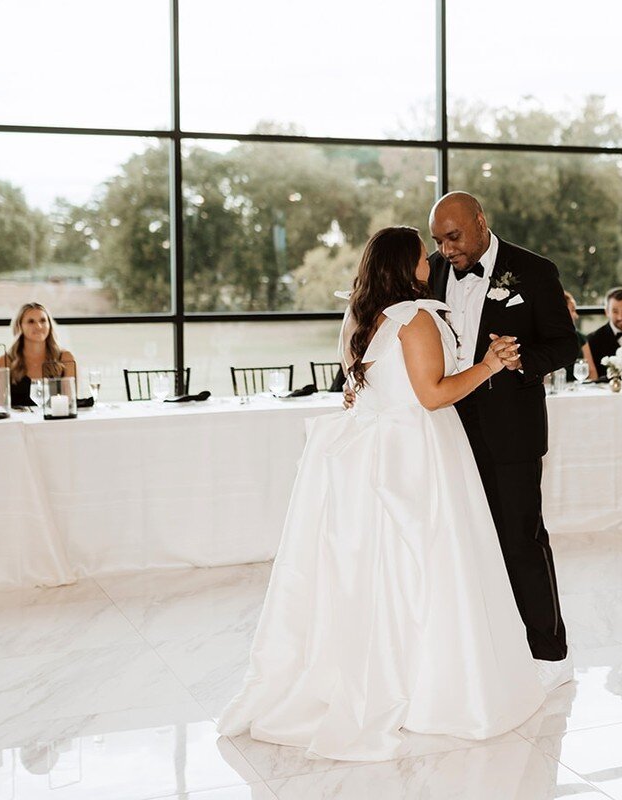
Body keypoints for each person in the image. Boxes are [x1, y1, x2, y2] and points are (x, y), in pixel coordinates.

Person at [217, 226, 546, 761]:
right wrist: (487, 367)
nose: (429, 260)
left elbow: (370, 385)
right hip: (415, 454)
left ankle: (371, 668)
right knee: (427, 564)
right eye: (422, 254)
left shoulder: (364, 314)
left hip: (374, 454)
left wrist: (484, 357)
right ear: (404, 264)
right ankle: (429, 686)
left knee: (377, 571)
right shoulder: (413, 318)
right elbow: (432, 396)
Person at [427, 192, 579, 678]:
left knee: (521, 541)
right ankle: (482, 654)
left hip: (511, 433)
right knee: (461, 542)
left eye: (453, 237)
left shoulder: (533, 271)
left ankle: (547, 652)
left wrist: (522, 362)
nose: (447, 250)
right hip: (446, 431)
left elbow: (563, 344)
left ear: (480, 221)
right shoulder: (428, 272)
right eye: (438, 241)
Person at [0, 302, 78, 407]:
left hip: (56, 422)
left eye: (43, 321)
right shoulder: (5, 361)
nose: (39, 326)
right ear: (19, 326)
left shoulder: (65, 358)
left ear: (49, 324)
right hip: (19, 423)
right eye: (31, 322)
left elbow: (71, 404)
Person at [563, 291, 598, 381]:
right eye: (573, 310)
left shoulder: (580, 337)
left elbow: (592, 372)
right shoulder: (544, 339)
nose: (576, 316)